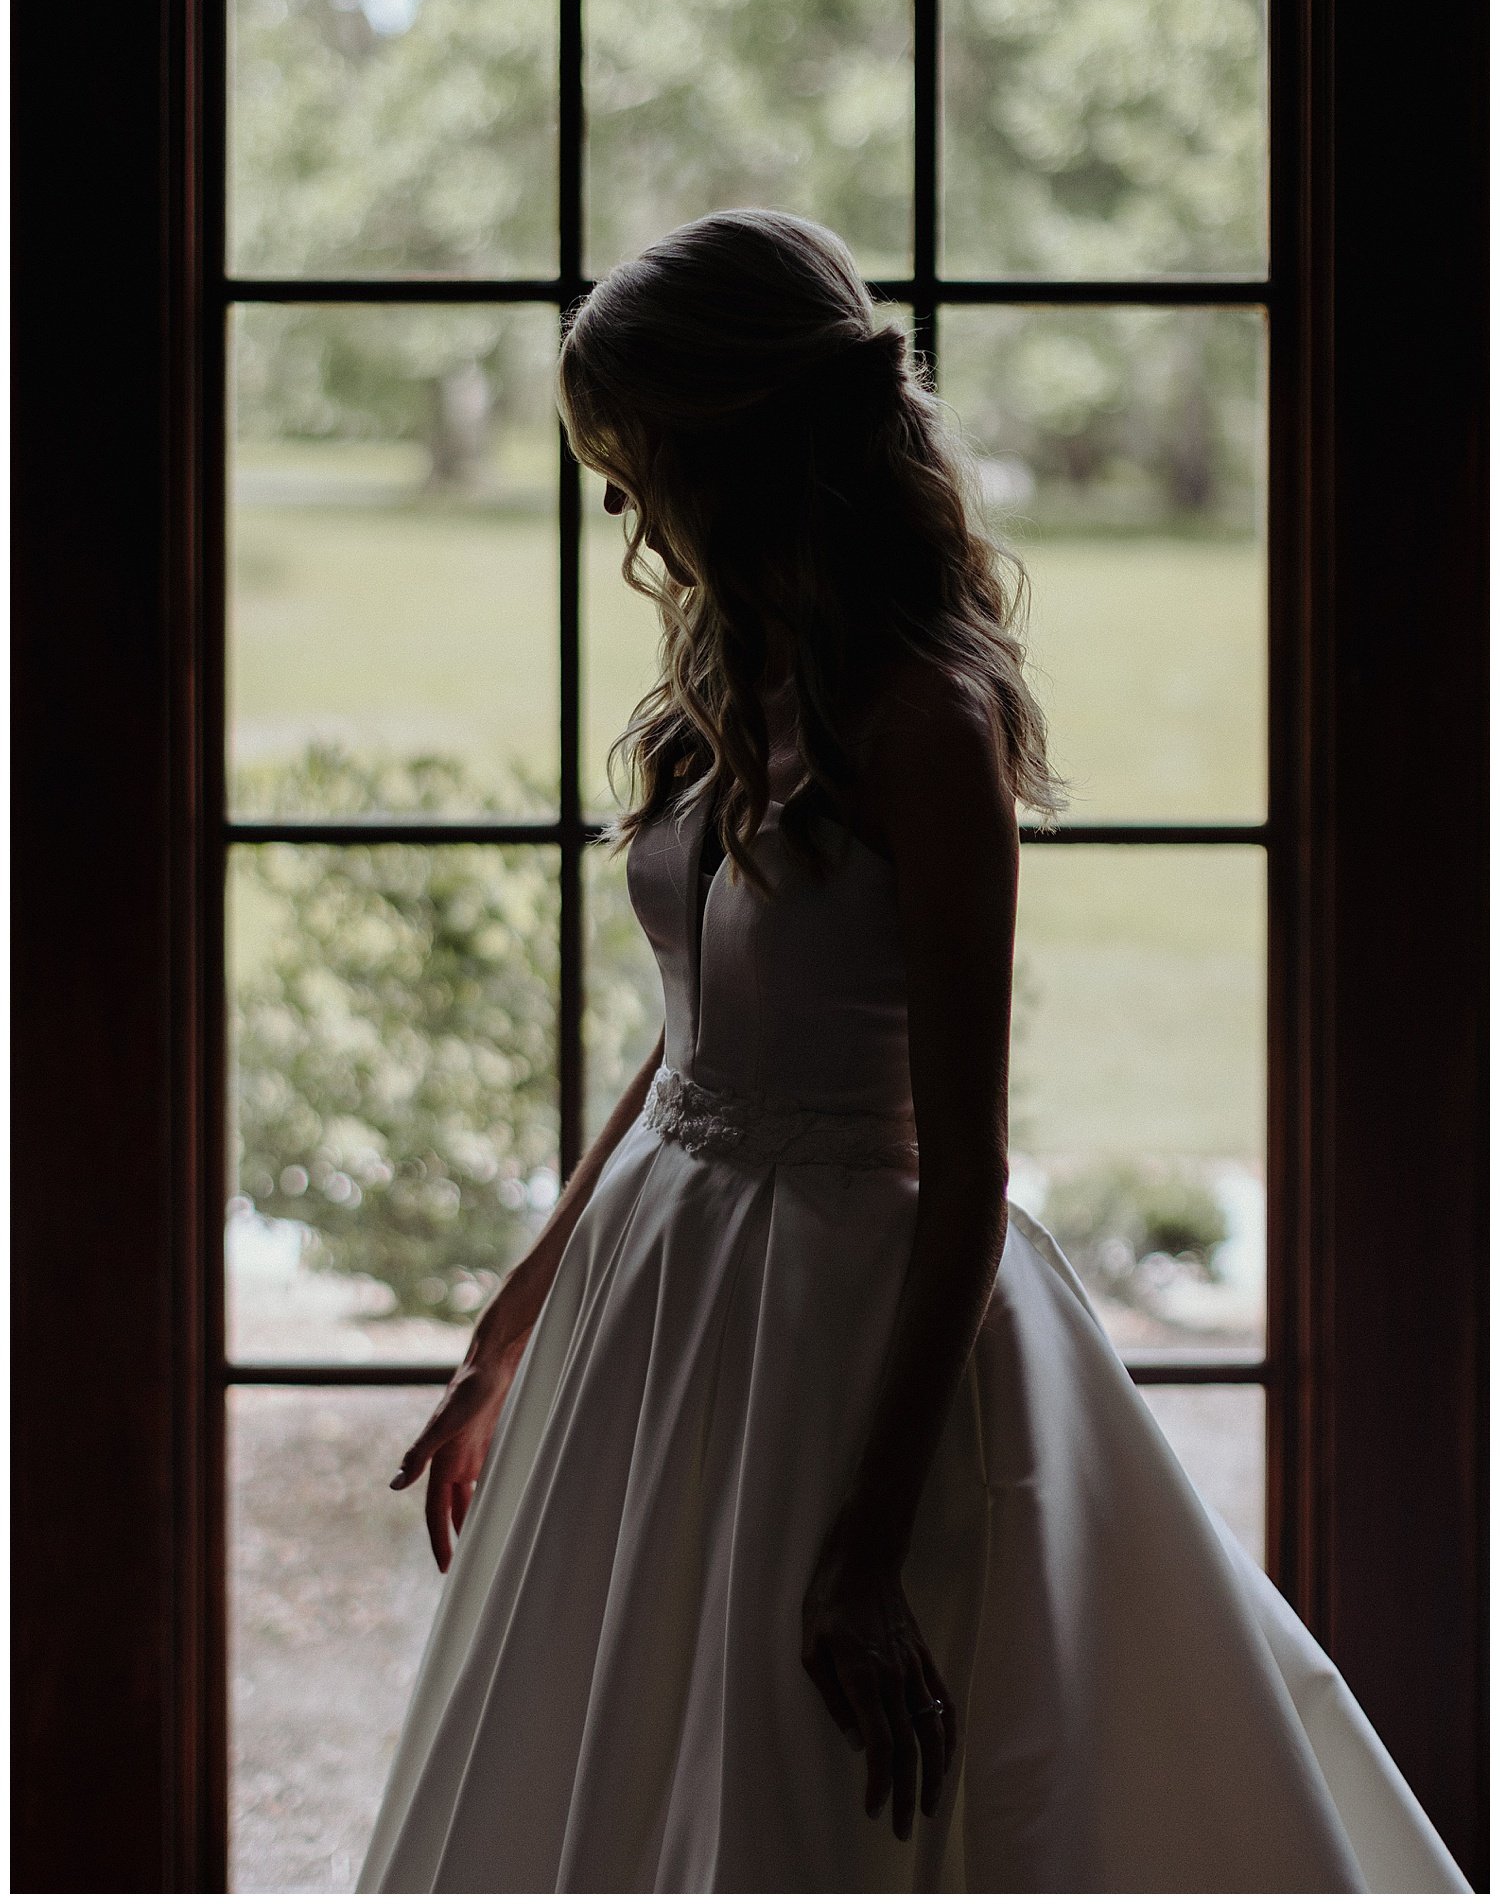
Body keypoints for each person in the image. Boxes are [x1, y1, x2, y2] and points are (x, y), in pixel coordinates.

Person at [358, 210, 1467, 1894]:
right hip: (663, 1269)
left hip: (850, 1308)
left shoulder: (929, 729)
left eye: (631, 451)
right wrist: (516, 1321)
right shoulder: (725, 681)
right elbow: (683, 1051)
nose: (614, 500)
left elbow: (965, 1169)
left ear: (740, 442)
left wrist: (867, 1546)